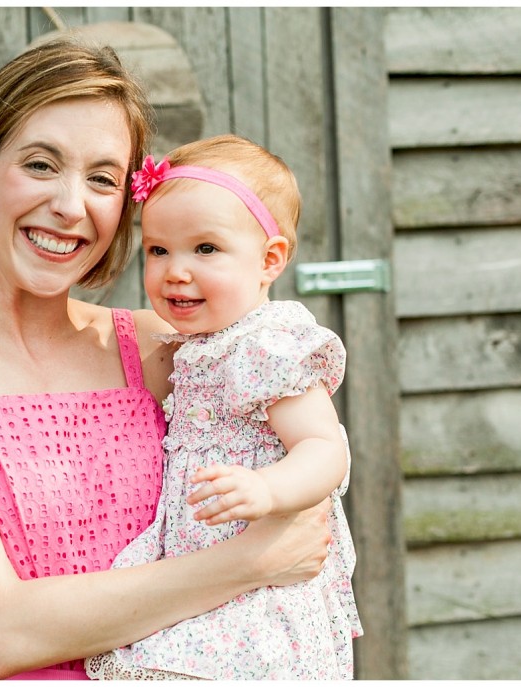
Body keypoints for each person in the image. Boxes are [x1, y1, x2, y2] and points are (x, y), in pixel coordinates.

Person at [0, 39, 331, 681]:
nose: (71, 205)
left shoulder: (172, 347)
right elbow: (2, 630)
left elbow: (311, 485)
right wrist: (250, 562)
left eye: (102, 178)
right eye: (41, 165)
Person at [84, 135, 364, 681]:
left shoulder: (268, 346)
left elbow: (323, 448)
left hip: (262, 571)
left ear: (269, 260)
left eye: (205, 249)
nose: (176, 271)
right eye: (159, 250)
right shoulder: (193, 347)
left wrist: (270, 489)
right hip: (199, 560)